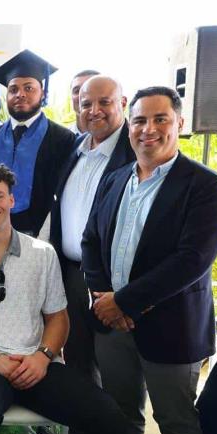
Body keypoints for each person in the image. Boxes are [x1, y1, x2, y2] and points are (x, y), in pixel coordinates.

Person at [0, 163, 128, 434]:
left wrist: (43, 356)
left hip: (37, 362)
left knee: (109, 417)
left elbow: (58, 318)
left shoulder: (42, 253)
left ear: (11, 200)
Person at [82, 86, 217, 434]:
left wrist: (126, 303)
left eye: (160, 119)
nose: (148, 129)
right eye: (140, 120)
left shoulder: (208, 187)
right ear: (129, 126)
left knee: (177, 423)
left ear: (179, 122)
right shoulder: (115, 179)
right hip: (111, 324)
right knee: (121, 416)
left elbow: (192, 260)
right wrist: (104, 298)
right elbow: (90, 240)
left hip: (171, 326)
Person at [50, 75, 135, 385]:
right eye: (86, 104)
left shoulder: (136, 151)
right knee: (78, 364)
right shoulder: (74, 148)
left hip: (114, 281)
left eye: (104, 102)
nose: (94, 110)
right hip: (72, 274)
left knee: (117, 375)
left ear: (123, 104)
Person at [0, 49, 76, 238]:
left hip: (42, 236)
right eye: (13, 89)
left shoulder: (63, 139)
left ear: (42, 93)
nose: (20, 94)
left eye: (28, 88)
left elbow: (63, 196)